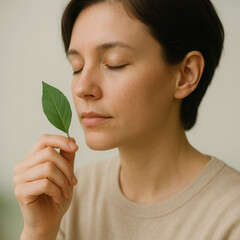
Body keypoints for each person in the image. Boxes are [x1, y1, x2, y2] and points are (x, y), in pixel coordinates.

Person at [14, 0, 240, 239]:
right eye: (77, 67)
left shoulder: (230, 217)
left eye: (114, 63)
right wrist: (38, 232)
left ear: (186, 75)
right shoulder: (68, 194)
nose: (82, 88)